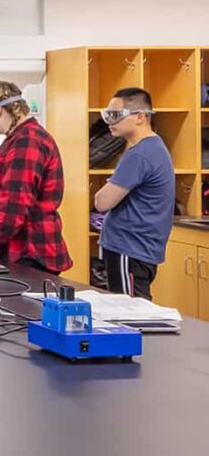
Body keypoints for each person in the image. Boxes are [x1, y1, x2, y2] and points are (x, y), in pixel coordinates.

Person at [0, 81, 72, 274]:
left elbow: (14, 206)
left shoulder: (28, 141)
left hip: (28, 254)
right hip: (10, 251)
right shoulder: (12, 142)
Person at [93, 88, 173, 299]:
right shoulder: (154, 147)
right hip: (139, 249)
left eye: (116, 116)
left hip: (129, 249)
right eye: (107, 115)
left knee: (131, 313)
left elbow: (102, 202)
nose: (110, 122)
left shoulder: (140, 155)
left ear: (140, 116)